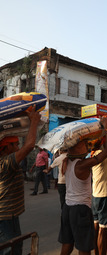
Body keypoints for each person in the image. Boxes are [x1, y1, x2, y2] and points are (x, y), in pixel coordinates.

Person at [58, 117, 107, 255]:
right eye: (83, 143)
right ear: (76, 147)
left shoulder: (67, 161)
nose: (86, 145)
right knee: (84, 248)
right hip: (80, 210)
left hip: (67, 208)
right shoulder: (81, 165)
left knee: (68, 244)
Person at [0, 106, 41, 255]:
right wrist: (34, 122)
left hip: (11, 215)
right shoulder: (4, 163)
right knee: (10, 251)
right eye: (15, 144)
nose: (18, 147)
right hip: (3, 218)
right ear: (5, 147)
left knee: (16, 249)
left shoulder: (8, 160)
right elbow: (29, 145)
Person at [91, 138, 107, 255]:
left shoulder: (93, 154)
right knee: (103, 231)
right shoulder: (102, 154)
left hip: (96, 195)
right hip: (104, 195)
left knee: (96, 229)